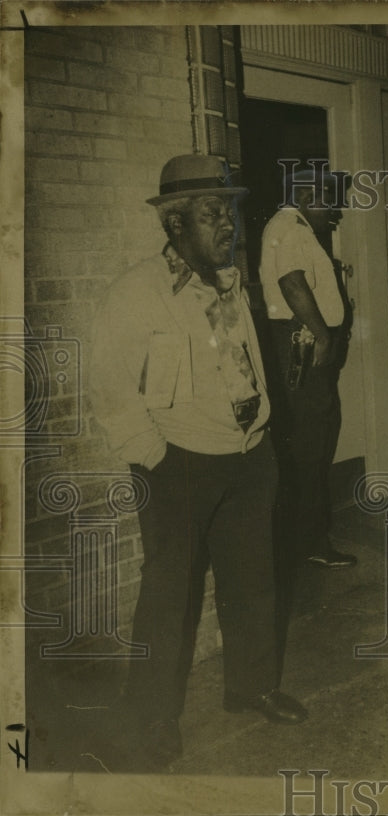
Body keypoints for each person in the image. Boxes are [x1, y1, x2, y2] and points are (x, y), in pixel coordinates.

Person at [89, 154, 308, 770]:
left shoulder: (232, 284)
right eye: (214, 214)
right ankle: (153, 716)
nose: (228, 226)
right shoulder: (135, 293)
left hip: (247, 456)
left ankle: (251, 686)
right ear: (175, 223)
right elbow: (109, 389)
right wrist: (156, 459)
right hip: (178, 462)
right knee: (168, 596)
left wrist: (263, 436)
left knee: (253, 581)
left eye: (230, 213)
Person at [260, 167, 358, 569]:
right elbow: (292, 283)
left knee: (312, 439)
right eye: (326, 198)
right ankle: (308, 542)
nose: (334, 209)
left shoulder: (292, 226)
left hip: (300, 340)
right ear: (303, 195)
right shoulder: (291, 227)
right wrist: (321, 335)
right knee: (310, 442)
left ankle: (303, 539)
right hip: (300, 342)